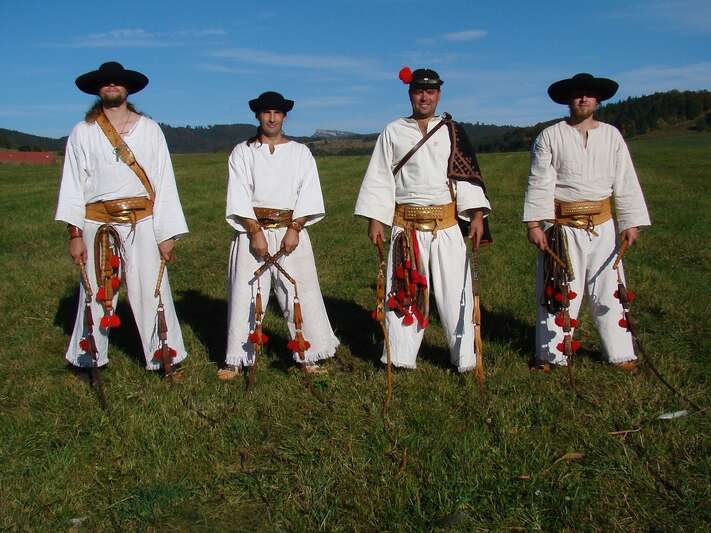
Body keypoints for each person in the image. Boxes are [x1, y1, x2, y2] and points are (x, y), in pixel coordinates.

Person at [56, 61, 189, 376]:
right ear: (98, 89)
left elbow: (164, 182)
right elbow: (73, 184)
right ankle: (88, 357)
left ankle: (164, 355)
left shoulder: (150, 129)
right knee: (95, 290)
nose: (112, 85)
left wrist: (166, 233)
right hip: (96, 222)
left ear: (127, 88)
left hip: (142, 222)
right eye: (106, 82)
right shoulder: (83, 131)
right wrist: (75, 234)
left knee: (152, 289)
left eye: (117, 81)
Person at [354, 67, 491, 372]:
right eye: (419, 91)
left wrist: (476, 215)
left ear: (438, 94)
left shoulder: (452, 130)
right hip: (406, 227)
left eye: (430, 91)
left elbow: (466, 176)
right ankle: (400, 356)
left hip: (447, 226)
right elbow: (379, 176)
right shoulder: (393, 130)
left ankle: (465, 358)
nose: (425, 97)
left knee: (456, 293)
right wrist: (376, 219)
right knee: (404, 291)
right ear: (410, 94)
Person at [523, 72, 651, 372]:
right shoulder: (550, 136)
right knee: (557, 288)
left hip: (603, 226)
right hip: (562, 228)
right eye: (577, 94)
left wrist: (630, 222)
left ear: (598, 100)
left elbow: (626, 180)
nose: (583, 99)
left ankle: (620, 353)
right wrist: (534, 225)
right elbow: (539, 181)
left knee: (609, 289)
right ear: (568, 99)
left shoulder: (611, 135)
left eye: (589, 94)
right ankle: (551, 354)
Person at [218, 91, 339, 380]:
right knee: (246, 292)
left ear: (284, 116)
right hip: (252, 233)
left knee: (301, 292)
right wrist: (254, 231)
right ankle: (238, 357)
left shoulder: (300, 152)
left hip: (291, 233)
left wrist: (295, 228)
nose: (271, 118)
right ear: (258, 115)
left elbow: (309, 192)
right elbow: (238, 193)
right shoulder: (242, 152)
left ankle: (309, 353)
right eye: (266, 112)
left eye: (277, 113)